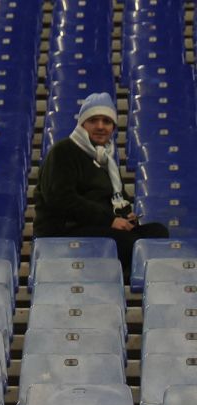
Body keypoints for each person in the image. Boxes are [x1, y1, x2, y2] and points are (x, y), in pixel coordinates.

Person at [35, 91, 169, 273]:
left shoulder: (106, 159)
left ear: (113, 127)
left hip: (100, 227)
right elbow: (60, 199)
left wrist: (126, 215)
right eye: (93, 121)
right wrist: (110, 220)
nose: (100, 126)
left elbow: (118, 197)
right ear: (82, 124)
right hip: (66, 230)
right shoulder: (63, 152)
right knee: (126, 243)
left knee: (157, 233)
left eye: (106, 122)